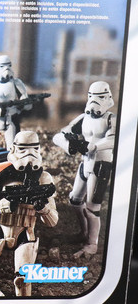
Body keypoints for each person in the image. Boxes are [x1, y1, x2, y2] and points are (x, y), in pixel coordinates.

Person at [0, 130, 58, 297]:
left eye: (34, 149)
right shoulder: (4, 174)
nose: (29, 154)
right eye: (23, 149)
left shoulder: (44, 179)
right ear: (13, 149)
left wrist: (43, 208)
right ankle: (0, 299)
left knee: (23, 280)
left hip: (25, 233)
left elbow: (53, 221)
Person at [52, 81, 116, 258]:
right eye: (92, 97)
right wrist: (69, 145)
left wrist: (94, 146)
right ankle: (84, 232)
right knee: (75, 199)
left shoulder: (111, 119)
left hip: (101, 164)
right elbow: (60, 134)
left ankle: (92, 244)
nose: (95, 101)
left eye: (100, 97)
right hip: (85, 163)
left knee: (92, 208)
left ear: (107, 97)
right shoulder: (83, 118)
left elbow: (113, 140)